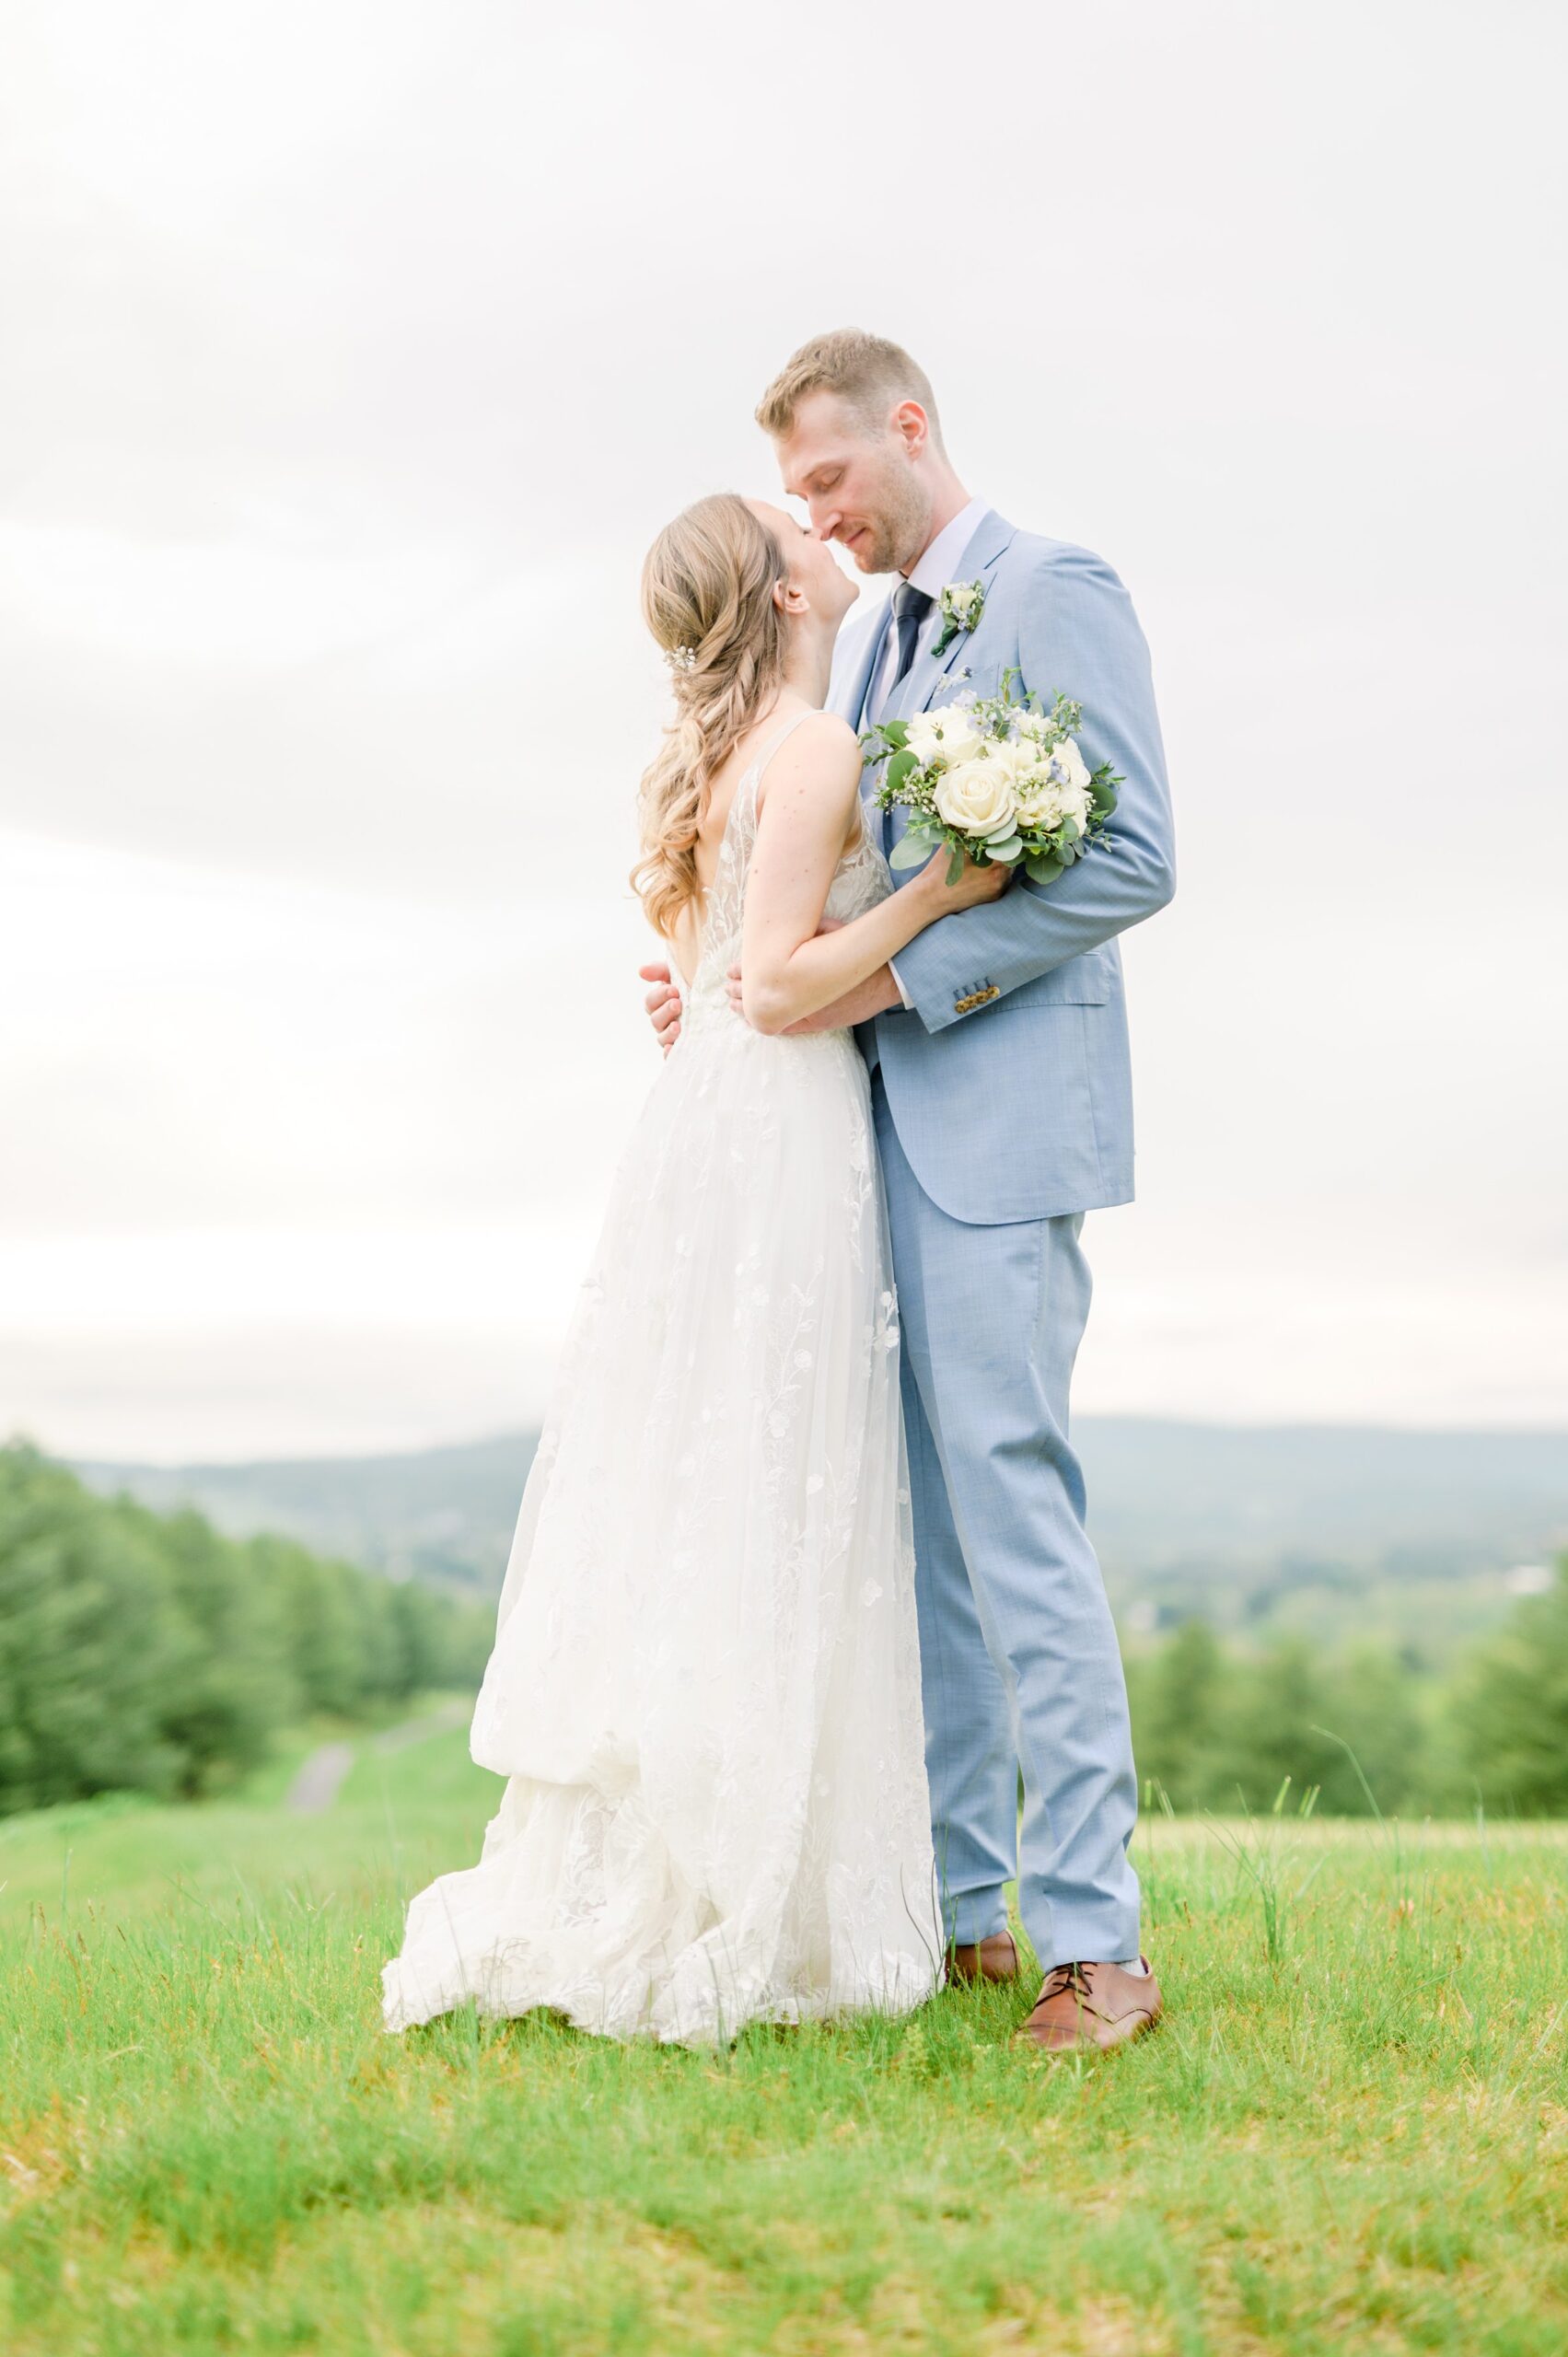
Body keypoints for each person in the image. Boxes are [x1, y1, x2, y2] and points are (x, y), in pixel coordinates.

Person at [382, 490, 1005, 2045]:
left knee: (702, 1472)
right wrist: (941, 893)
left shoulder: (716, 759)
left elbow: (702, 969)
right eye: (791, 530)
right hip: (776, 1126)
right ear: (786, 595)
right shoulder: (809, 752)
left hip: (700, 1128)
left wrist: (713, 996)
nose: (820, 532)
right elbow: (780, 982)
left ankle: (713, 1835)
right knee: (772, 1477)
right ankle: (743, 1885)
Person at [642, 333, 1176, 2052]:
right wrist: (733, 976)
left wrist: (889, 985)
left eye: (826, 480)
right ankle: (962, 1921)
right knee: (920, 1542)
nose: (818, 514)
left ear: (909, 429)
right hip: (857, 1137)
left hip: (1003, 1130)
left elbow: (1134, 859)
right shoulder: (870, 642)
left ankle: (1098, 1942)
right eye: (794, 495)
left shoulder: (1053, 586)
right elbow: (837, 878)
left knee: (1013, 1516)